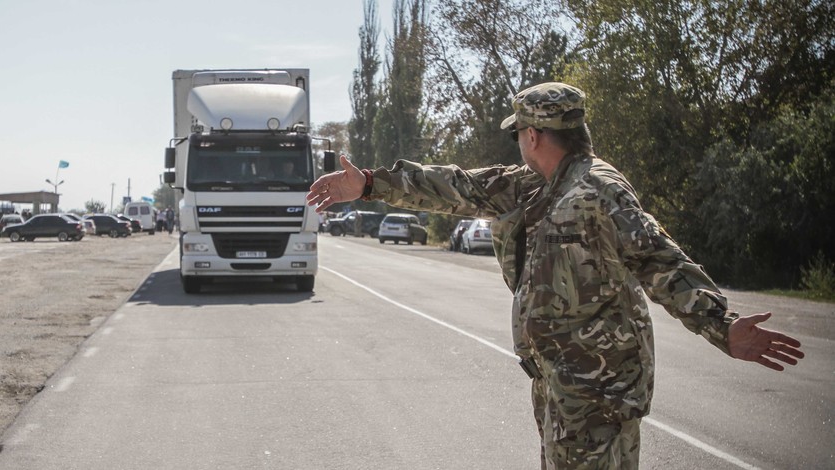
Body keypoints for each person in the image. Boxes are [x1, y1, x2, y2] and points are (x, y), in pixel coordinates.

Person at [306, 82, 804, 469]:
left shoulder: (598, 191)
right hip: (560, 386)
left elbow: (661, 260)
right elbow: (456, 186)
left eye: (518, 131)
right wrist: (370, 183)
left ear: (534, 135)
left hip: (600, 393)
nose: (519, 140)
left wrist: (721, 326)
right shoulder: (531, 185)